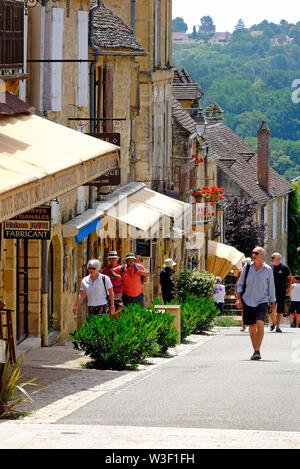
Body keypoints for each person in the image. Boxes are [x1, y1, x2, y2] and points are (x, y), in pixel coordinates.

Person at [236, 247, 276, 361]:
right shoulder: (247, 268)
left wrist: (272, 303)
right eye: (253, 253)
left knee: (260, 323)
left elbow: (271, 287)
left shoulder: (268, 270)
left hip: (262, 301)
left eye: (256, 253)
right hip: (248, 300)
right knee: (252, 327)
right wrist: (238, 298)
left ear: (262, 255)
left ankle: (258, 350)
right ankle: (256, 350)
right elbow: (240, 284)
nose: (254, 254)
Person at [269, 252, 293, 333]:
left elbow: (290, 277)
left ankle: (278, 326)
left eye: (272, 258)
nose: (271, 259)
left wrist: (289, 288)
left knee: (280, 308)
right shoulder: (270, 267)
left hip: (281, 291)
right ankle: (274, 322)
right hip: (271, 291)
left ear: (278, 259)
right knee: (270, 309)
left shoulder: (284, 268)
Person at [235, 258, 251, 332]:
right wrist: (236, 293)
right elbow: (237, 283)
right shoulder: (240, 272)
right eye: (242, 264)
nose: (242, 265)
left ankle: (251, 325)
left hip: (250, 291)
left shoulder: (252, 271)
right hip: (243, 291)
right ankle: (243, 325)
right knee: (243, 309)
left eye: (243, 263)